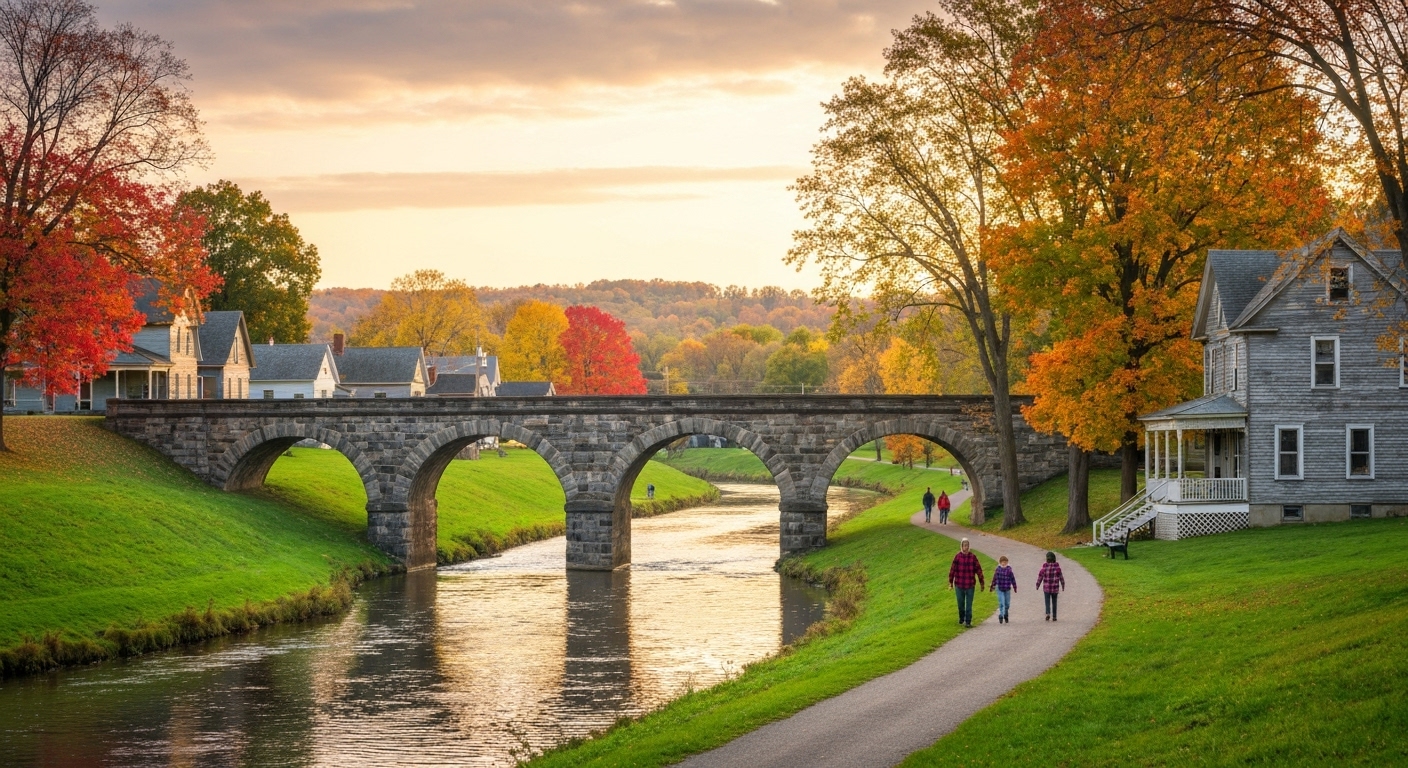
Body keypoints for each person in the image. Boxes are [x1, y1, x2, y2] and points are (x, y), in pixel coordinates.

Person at [947, 538, 985, 628]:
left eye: (967, 545)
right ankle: (961, 617)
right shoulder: (957, 557)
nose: (966, 547)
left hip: (970, 585)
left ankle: (968, 621)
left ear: (969, 546)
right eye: (964, 546)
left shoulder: (973, 557)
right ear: (961, 546)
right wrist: (950, 582)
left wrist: (982, 583)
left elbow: (979, 570)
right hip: (959, 584)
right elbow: (952, 570)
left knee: (969, 605)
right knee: (960, 604)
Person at [1036, 551, 1066, 622]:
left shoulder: (1044, 567)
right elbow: (1061, 578)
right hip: (1055, 588)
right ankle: (1054, 616)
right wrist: (1063, 585)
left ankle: (1048, 613)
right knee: (1054, 602)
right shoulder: (1057, 568)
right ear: (1054, 559)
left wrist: (1037, 584)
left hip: (1046, 588)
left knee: (1047, 601)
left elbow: (1040, 577)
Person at [990, 556, 1016, 624]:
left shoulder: (1009, 570)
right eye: (1003, 562)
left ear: (1007, 563)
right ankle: (1001, 615)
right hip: (1000, 588)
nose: (1004, 564)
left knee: (1007, 604)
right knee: (1001, 602)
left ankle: (1006, 614)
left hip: (1007, 588)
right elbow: (994, 579)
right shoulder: (998, 570)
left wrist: (1014, 586)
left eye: (1005, 562)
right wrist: (992, 586)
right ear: (1000, 563)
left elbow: (1013, 579)